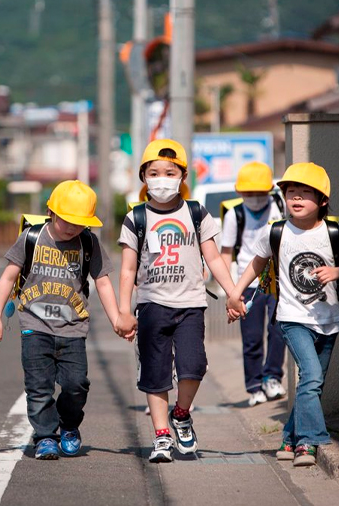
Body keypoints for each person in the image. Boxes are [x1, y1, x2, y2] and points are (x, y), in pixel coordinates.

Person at [227, 162, 339, 467]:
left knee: (313, 382)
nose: (295, 198)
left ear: (322, 201)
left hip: (328, 321)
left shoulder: (335, 232)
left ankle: (289, 438)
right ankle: (310, 442)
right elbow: (255, 264)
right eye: (290, 192)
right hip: (292, 318)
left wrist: (338, 271)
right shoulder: (276, 231)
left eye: (304, 193)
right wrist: (235, 293)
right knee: (311, 376)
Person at [115, 139, 239, 463]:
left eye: (169, 172)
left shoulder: (196, 212)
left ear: (183, 176)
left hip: (191, 304)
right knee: (155, 372)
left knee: (193, 365)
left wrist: (232, 293)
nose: (161, 178)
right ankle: (161, 436)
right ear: (143, 177)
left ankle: (181, 414)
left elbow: (212, 257)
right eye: (153, 172)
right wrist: (123, 311)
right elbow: (127, 268)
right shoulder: (136, 217)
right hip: (152, 304)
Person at [0, 180, 128, 460]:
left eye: (80, 222)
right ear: (51, 212)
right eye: (67, 221)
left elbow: (102, 282)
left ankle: (69, 426)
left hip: (73, 328)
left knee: (77, 385)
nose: (73, 228)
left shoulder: (88, 242)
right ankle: (45, 437)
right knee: (39, 388)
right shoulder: (32, 238)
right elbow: (8, 277)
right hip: (34, 327)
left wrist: (116, 319)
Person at [220, 162, 287, 407]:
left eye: (260, 193)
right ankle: (254, 386)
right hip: (248, 283)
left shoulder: (280, 207)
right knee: (251, 338)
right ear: (239, 192)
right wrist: (230, 290)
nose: (255, 198)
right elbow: (226, 252)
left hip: (277, 280)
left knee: (279, 330)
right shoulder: (234, 214)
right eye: (249, 193)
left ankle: (272, 377)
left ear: (269, 189)